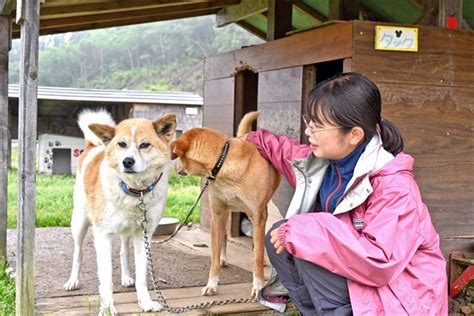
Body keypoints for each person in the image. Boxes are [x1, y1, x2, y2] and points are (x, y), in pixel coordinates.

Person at [245, 72, 448, 315]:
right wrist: (248, 140)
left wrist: (310, 228)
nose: (308, 131)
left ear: (354, 134)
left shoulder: (395, 186)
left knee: (306, 242)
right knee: (281, 236)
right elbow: (285, 151)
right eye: (308, 121)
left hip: (400, 295)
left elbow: (379, 262)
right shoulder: (324, 164)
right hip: (359, 282)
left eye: (317, 125)